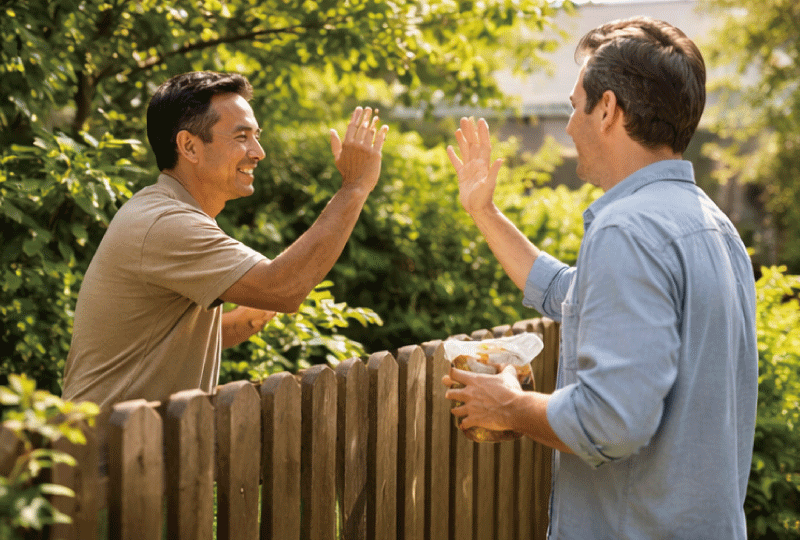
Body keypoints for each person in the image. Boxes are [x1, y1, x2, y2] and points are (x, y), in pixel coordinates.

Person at [444, 17, 757, 539]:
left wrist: (511, 407)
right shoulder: (713, 226)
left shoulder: (627, 229)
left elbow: (610, 423)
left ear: (607, 109)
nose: (569, 126)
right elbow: (568, 293)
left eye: (574, 106)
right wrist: (484, 211)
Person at [62, 71, 388, 411]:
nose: (259, 152)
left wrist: (251, 314)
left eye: (256, 136)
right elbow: (283, 288)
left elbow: (179, 340)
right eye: (241, 137)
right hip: (106, 441)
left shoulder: (170, 212)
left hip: (129, 438)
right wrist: (354, 187)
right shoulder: (165, 223)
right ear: (189, 146)